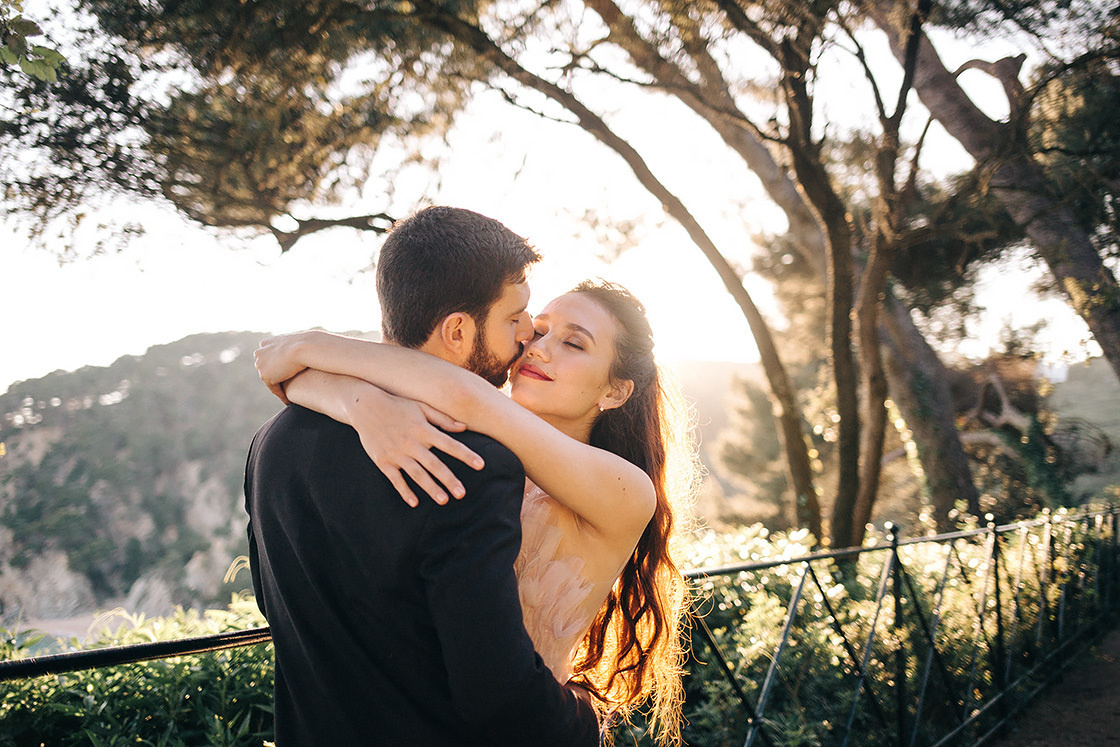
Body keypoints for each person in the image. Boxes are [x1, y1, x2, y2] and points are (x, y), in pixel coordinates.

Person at [256, 268, 695, 742]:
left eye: (574, 343)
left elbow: (466, 395)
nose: (538, 348)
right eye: (538, 330)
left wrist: (306, 347)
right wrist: (357, 400)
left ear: (615, 391)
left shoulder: (626, 489)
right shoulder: (475, 446)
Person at [244, 206, 601, 746]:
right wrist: (583, 720)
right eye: (513, 318)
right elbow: (499, 698)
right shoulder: (471, 465)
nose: (527, 334)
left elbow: (274, 605)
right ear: (457, 331)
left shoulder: (271, 441)